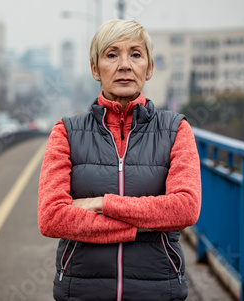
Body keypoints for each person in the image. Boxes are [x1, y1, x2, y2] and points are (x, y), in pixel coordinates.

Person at [38, 19, 202, 301]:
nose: (124, 65)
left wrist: (102, 203)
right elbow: (52, 218)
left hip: (158, 290)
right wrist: (145, 224)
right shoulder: (66, 132)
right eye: (112, 55)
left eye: (136, 55)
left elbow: (185, 209)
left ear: (149, 69)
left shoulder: (176, 130)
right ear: (94, 69)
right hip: (82, 290)